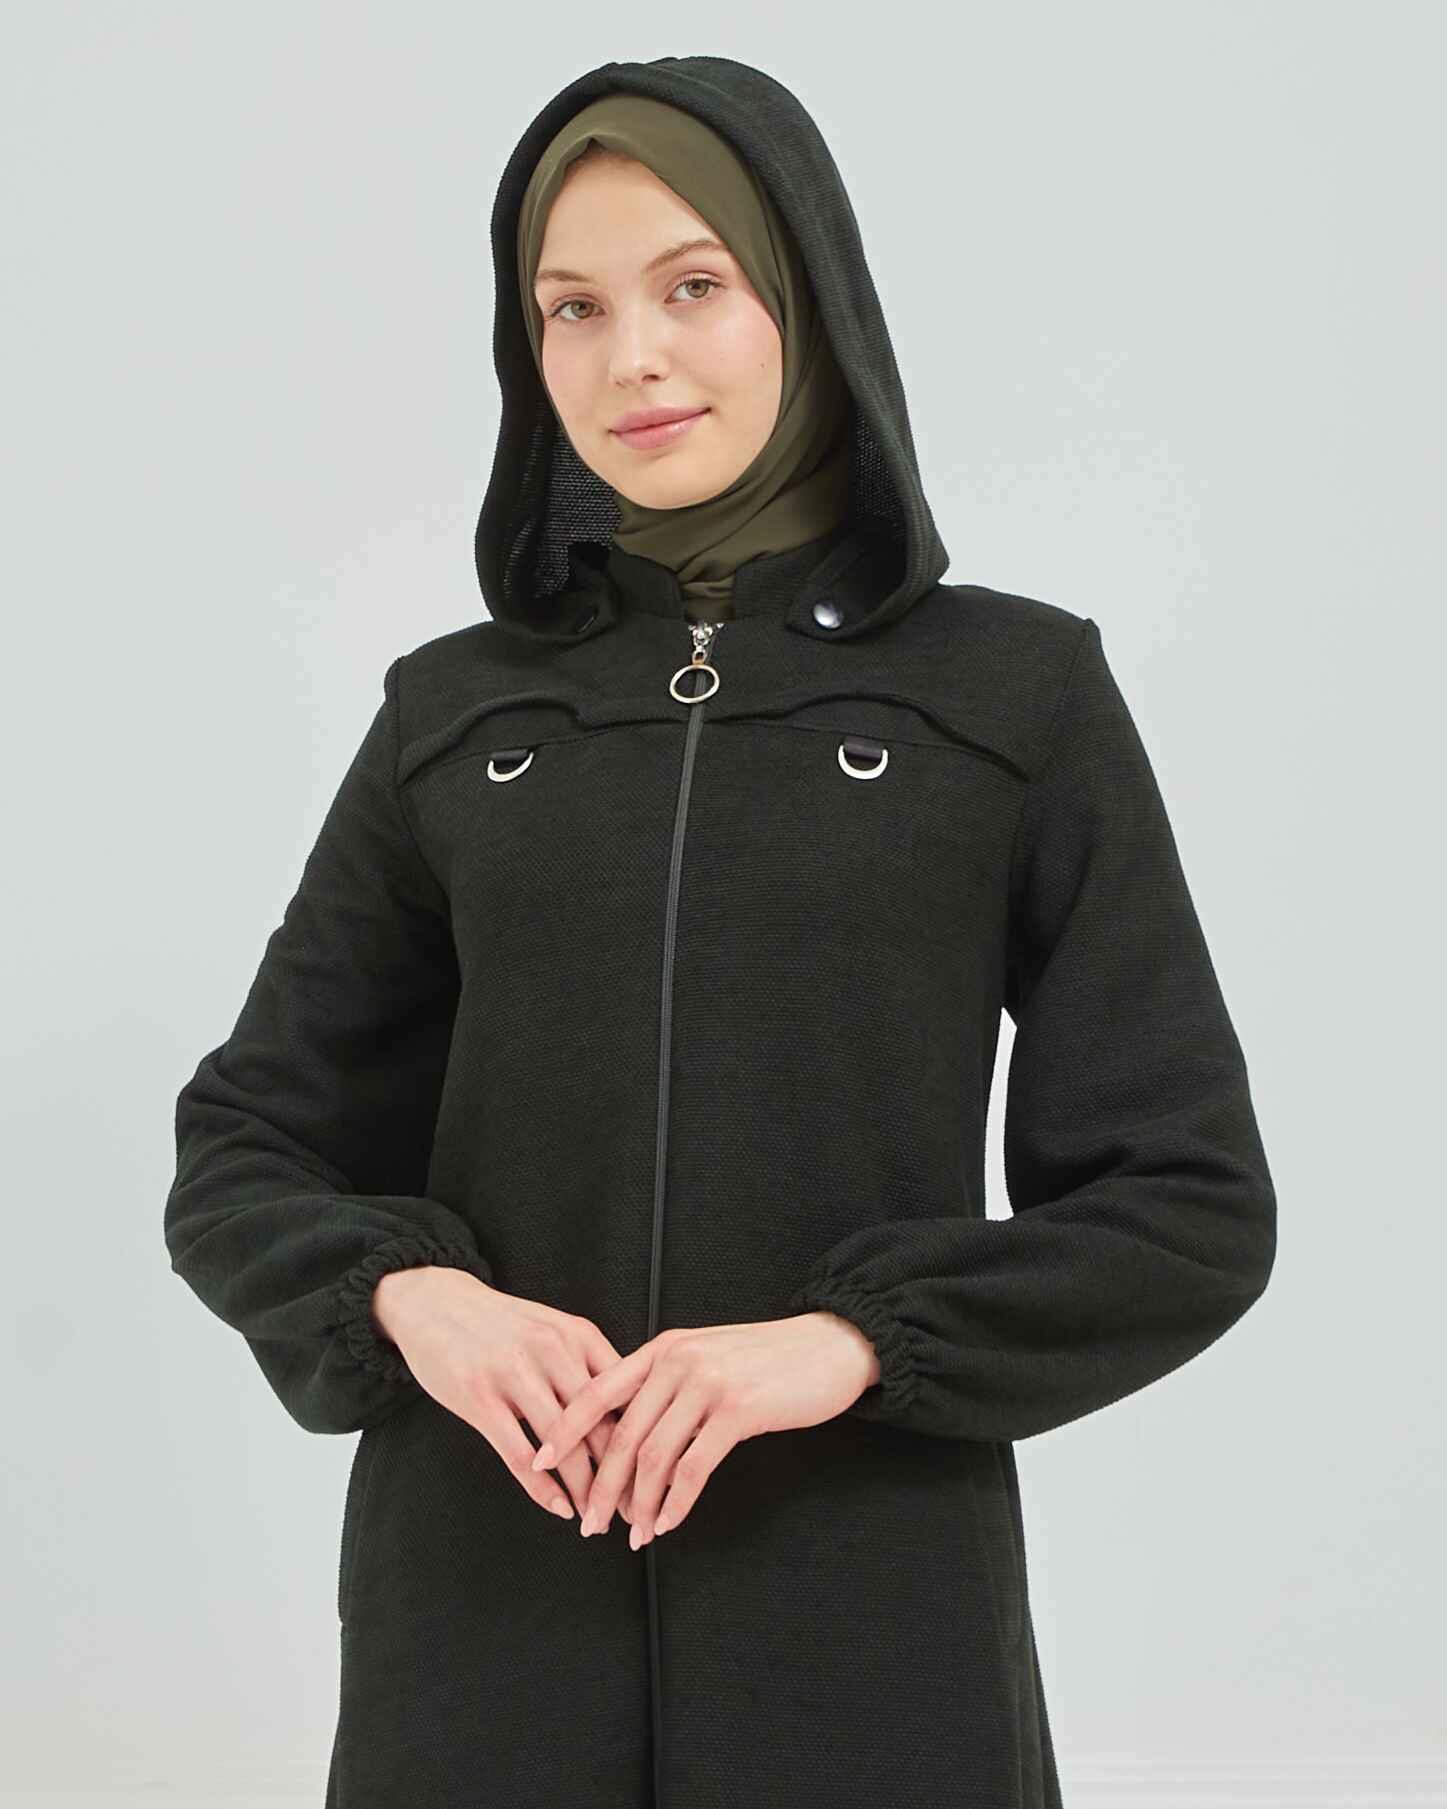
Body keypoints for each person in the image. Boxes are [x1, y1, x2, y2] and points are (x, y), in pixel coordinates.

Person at [164, 54, 1277, 1809]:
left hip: (867, 1635)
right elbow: (243, 1149)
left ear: (805, 296)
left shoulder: (1014, 695)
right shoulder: (454, 716)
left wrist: (846, 1342)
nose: (632, 358)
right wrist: (415, 1298)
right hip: (480, 1645)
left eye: (693, 285)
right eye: (572, 308)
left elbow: (1185, 1204)